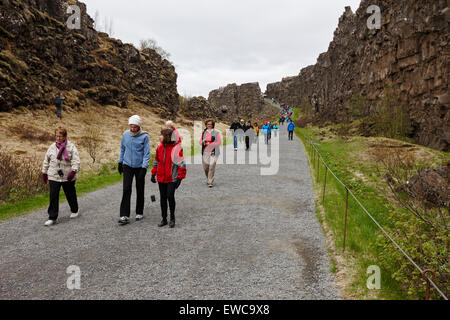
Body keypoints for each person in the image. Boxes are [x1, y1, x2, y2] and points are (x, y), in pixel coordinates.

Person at [42, 126, 80, 226]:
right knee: (53, 196)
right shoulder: (51, 147)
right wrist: (44, 172)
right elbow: (46, 161)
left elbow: (76, 161)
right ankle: (52, 217)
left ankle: (74, 210)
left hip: (68, 176)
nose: (58, 138)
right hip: (53, 175)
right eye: (56, 136)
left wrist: (73, 171)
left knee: (70, 194)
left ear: (65, 136)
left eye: (60, 136)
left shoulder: (71, 147)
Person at [117, 115, 150, 225]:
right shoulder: (125, 134)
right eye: (131, 126)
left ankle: (139, 211)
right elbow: (122, 148)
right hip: (127, 165)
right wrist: (120, 162)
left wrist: (144, 167)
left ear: (139, 126)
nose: (132, 129)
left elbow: (146, 153)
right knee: (126, 189)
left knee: (140, 189)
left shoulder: (144, 136)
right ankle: (124, 215)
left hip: (139, 166)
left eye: (135, 127)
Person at [151, 129, 187, 228]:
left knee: (170, 196)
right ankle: (164, 219)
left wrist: (180, 178)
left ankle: (172, 218)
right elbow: (156, 161)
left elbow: (182, 164)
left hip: (172, 178)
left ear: (167, 136)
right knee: (163, 198)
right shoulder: (160, 147)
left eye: (161, 135)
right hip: (161, 177)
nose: (159, 137)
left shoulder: (176, 148)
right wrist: (153, 173)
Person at [200, 119, 222, 188]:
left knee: (211, 167)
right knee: (206, 167)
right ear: (206, 125)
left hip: (214, 152)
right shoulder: (204, 132)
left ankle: (210, 181)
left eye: (210, 124)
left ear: (213, 125)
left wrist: (211, 144)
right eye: (208, 124)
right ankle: (208, 178)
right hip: (205, 152)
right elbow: (200, 141)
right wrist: (203, 142)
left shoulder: (216, 133)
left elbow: (219, 142)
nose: (209, 125)